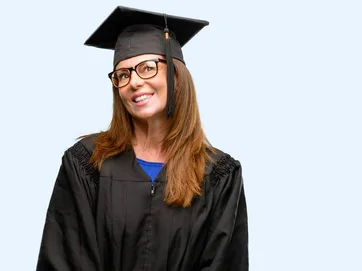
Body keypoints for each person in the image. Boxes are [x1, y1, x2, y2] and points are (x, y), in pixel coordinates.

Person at [36, 6, 248, 271]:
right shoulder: (87, 165)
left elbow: (224, 264)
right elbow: (65, 261)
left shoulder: (218, 175)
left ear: (175, 75)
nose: (134, 82)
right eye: (123, 75)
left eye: (147, 68)